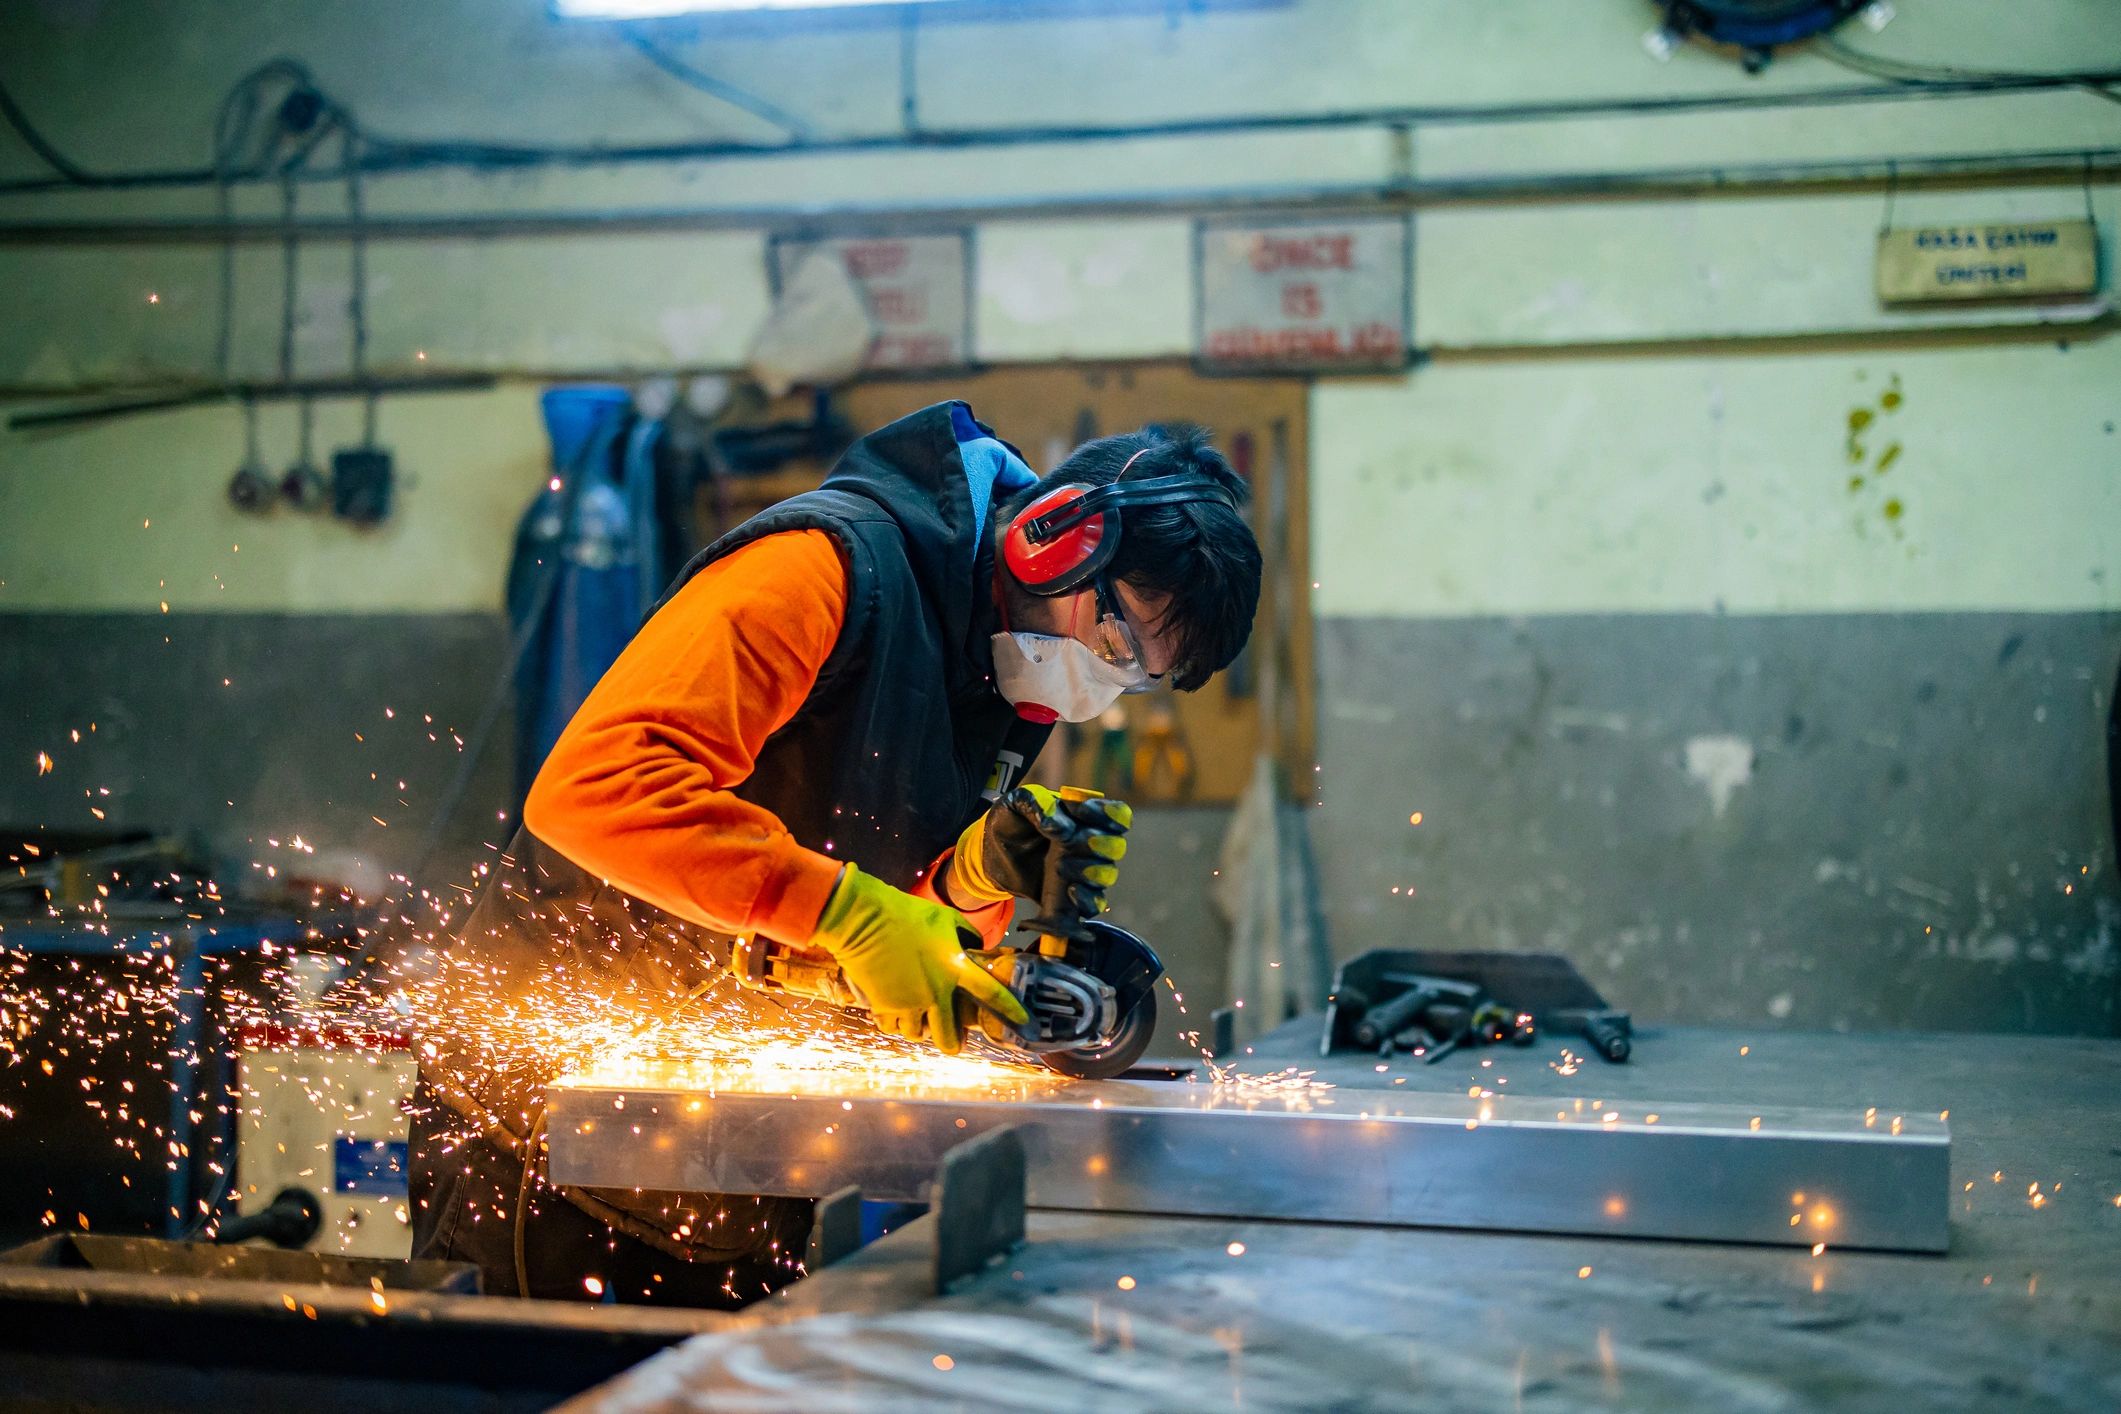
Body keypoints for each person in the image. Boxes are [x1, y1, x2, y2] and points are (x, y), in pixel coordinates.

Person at [410, 400, 1261, 1304]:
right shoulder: (822, 567)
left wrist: (970, 879)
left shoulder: (1007, 667)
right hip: (543, 1127)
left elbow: (891, 921)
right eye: (1117, 642)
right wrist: (841, 912)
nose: (1108, 683)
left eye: (1136, 674)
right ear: (1054, 540)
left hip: (730, 1146)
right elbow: (595, 788)